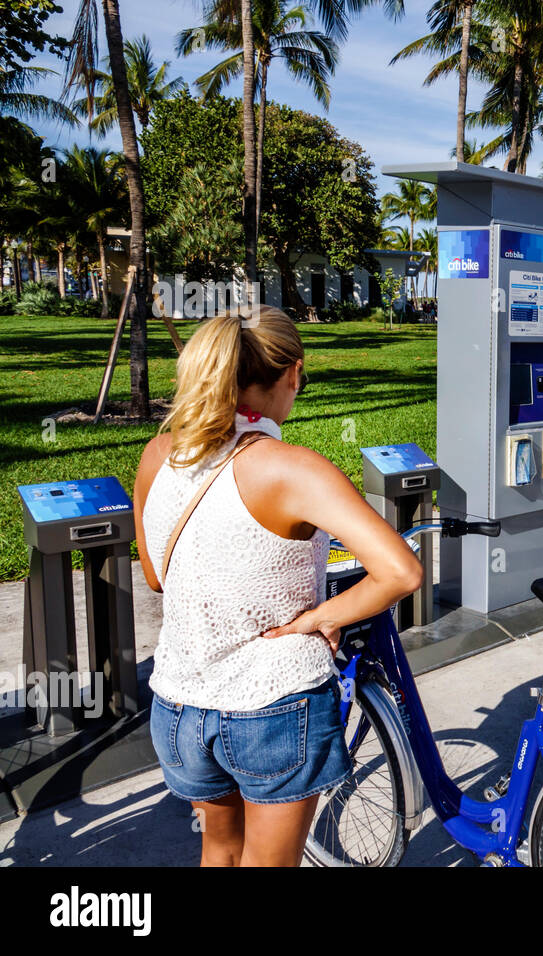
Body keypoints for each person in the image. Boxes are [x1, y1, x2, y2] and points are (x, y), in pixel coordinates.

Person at [134, 307, 424, 866]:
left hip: (180, 706)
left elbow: (155, 575)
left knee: (218, 851)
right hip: (274, 706)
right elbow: (401, 571)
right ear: (292, 372)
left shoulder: (158, 454)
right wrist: (320, 618)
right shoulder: (292, 470)